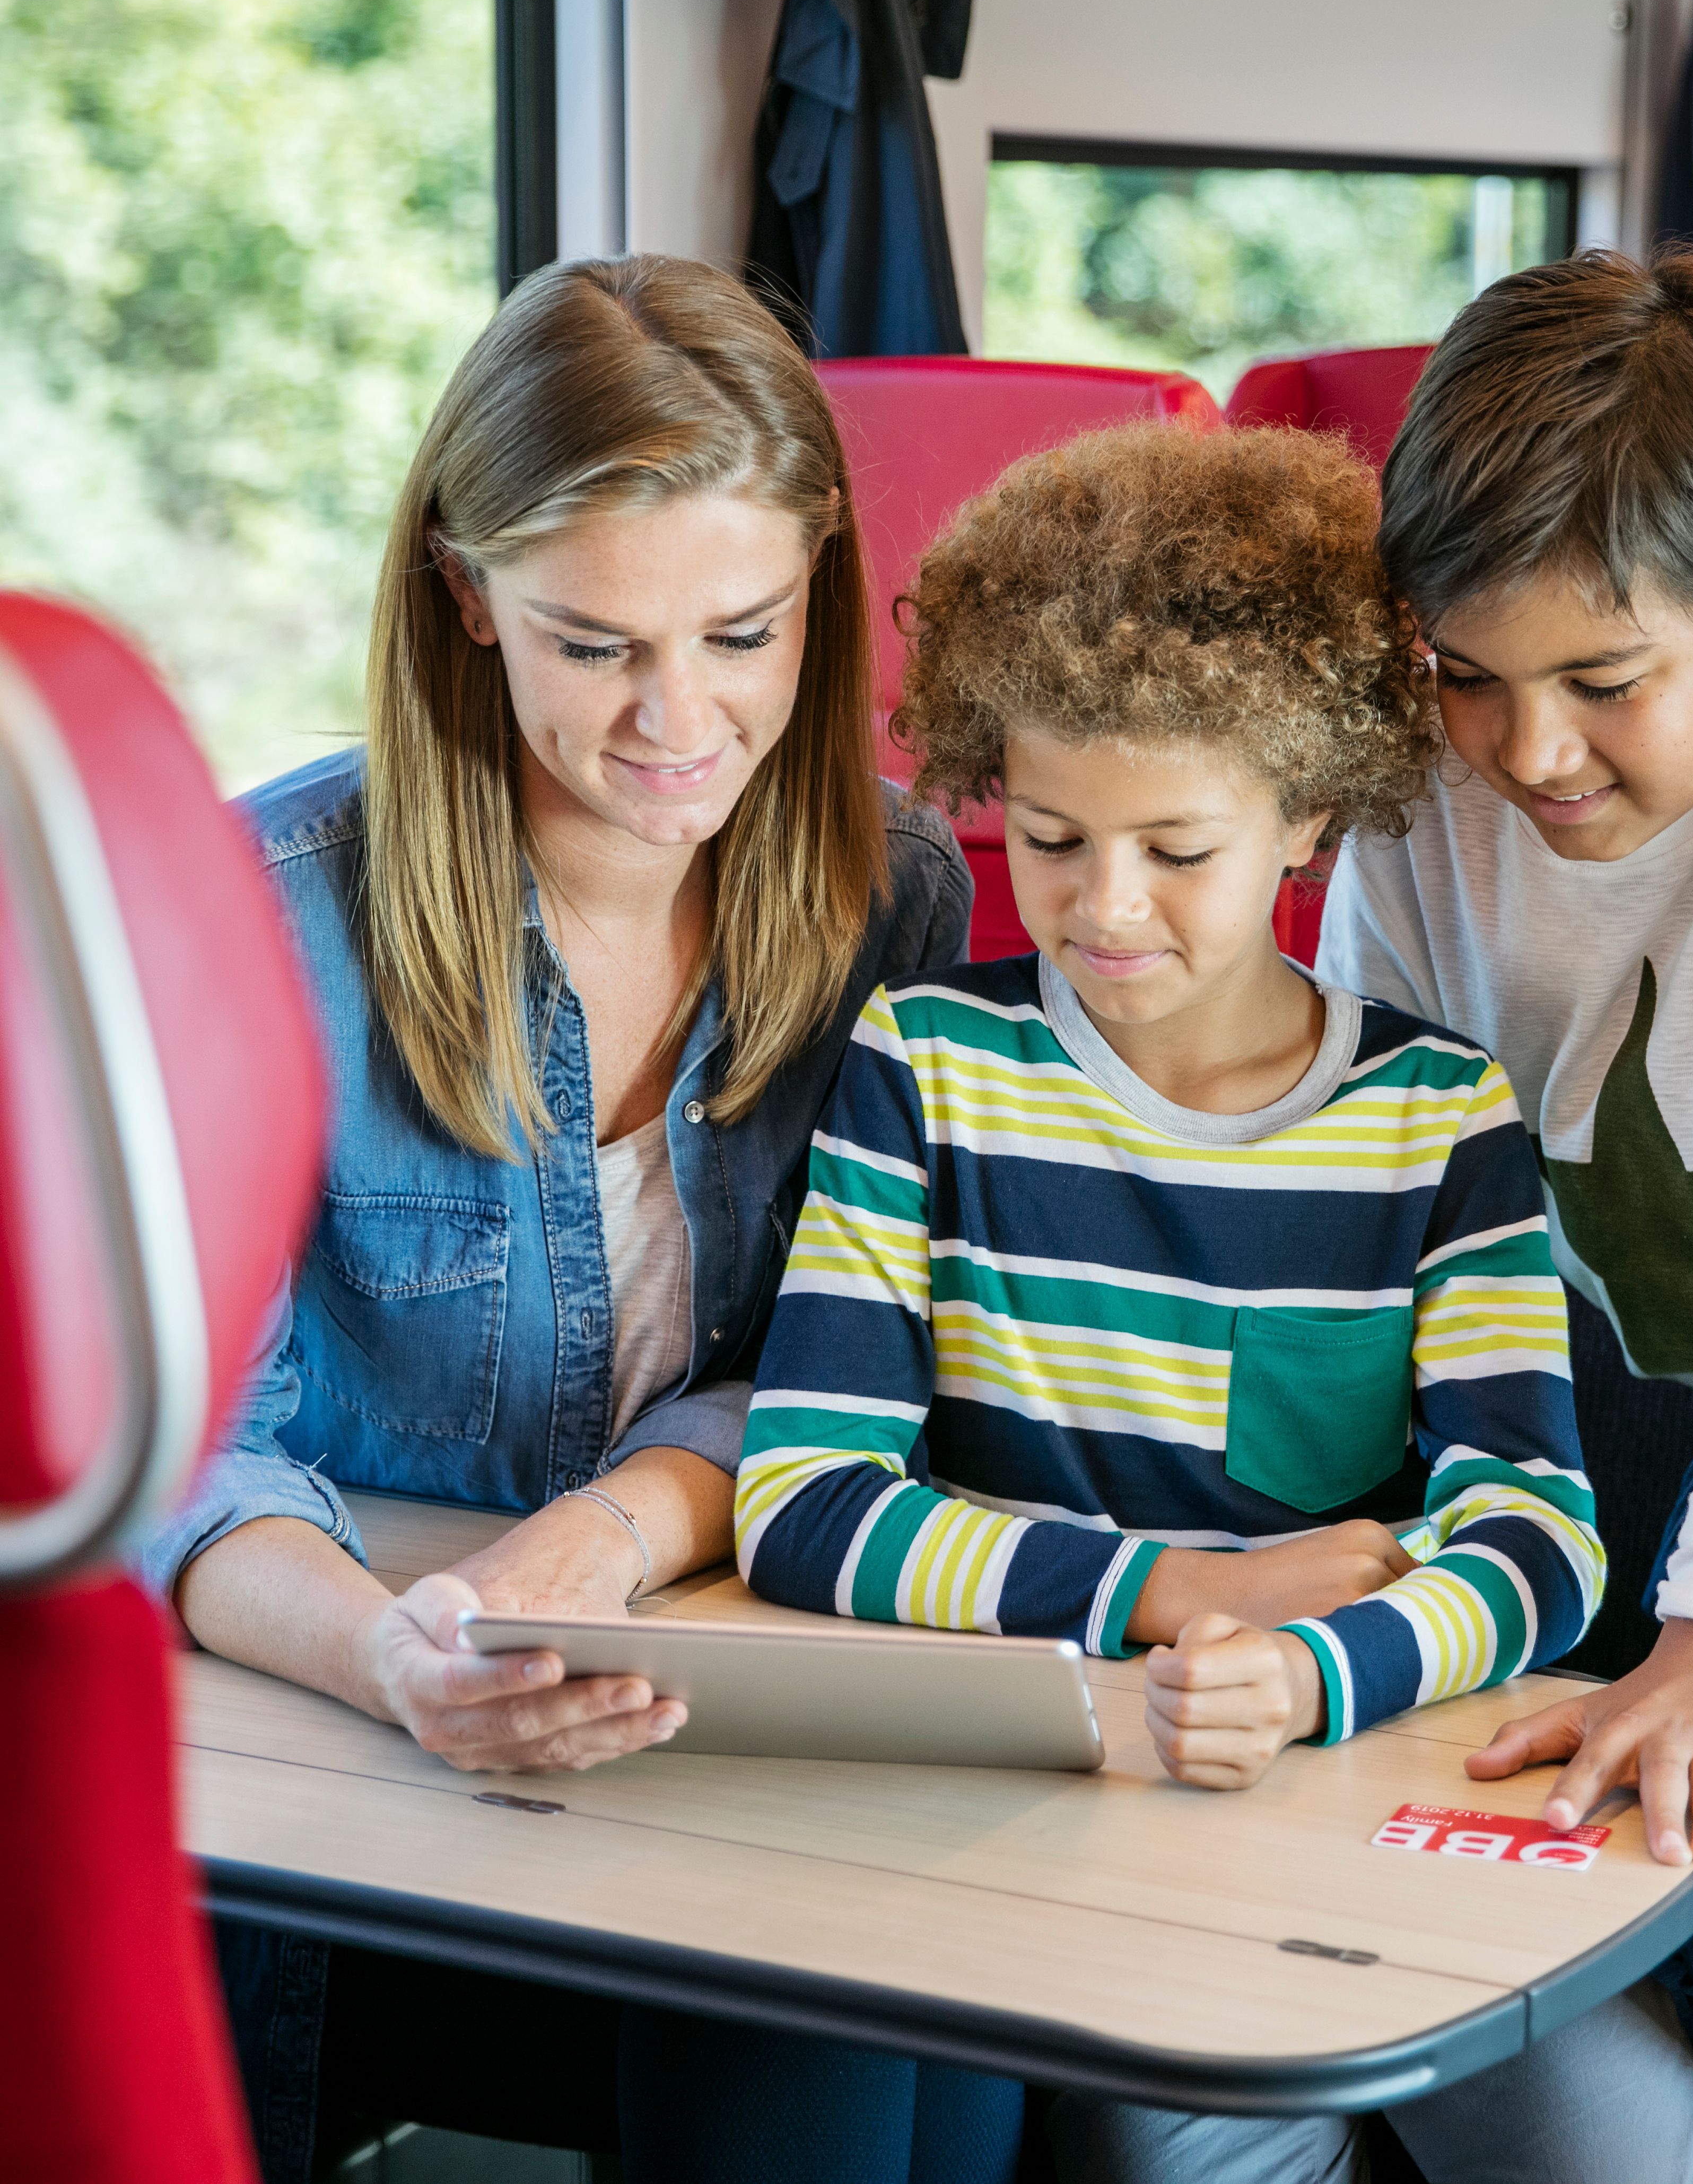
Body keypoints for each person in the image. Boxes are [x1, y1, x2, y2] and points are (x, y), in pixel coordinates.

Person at [735, 420, 1693, 2182]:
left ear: (1307, 815)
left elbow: (1530, 1535)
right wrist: (1168, 1599)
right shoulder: (926, 1065)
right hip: (1091, 1806)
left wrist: (1310, 1669)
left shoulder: (1437, 1116)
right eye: (1047, 837)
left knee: (1626, 2149)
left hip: (1371, 1771)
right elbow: (803, 1502)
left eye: (1175, 852)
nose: (1101, 912)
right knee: (1176, 2155)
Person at [144, 254, 1020, 2184]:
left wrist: (607, 1531)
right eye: (595, 643)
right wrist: (397, 1657)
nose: (678, 723)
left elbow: (843, 1365)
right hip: (348, 1769)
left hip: (705, 1705)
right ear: (468, 599)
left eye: (742, 632)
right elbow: (186, 1446)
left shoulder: (898, 895)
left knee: (943, 2056)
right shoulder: (262, 903)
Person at [1318, 246, 1693, 2157]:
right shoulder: (1433, 747)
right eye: (1466, 677)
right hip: (1577, 1398)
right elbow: (1372, 1138)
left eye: (1604, 681)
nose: (1526, 756)